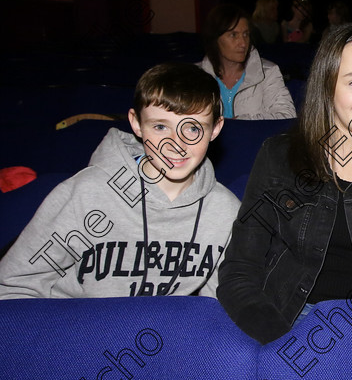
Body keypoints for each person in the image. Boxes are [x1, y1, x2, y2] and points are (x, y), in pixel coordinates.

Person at [217, 24, 352, 344]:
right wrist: (282, 345)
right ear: (326, 84)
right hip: (286, 321)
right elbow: (239, 271)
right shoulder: (278, 157)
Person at [0, 63, 240, 298]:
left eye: (192, 129)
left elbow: (218, 308)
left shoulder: (225, 211)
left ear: (215, 129)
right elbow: (13, 288)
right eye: (159, 126)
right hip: (72, 330)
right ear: (136, 124)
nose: (176, 145)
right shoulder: (86, 194)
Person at [199, 4, 296, 120]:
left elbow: (287, 116)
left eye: (245, 34)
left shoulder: (268, 72)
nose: (243, 43)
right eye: (233, 35)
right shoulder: (196, 76)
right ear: (215, 39)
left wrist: (241, 122)